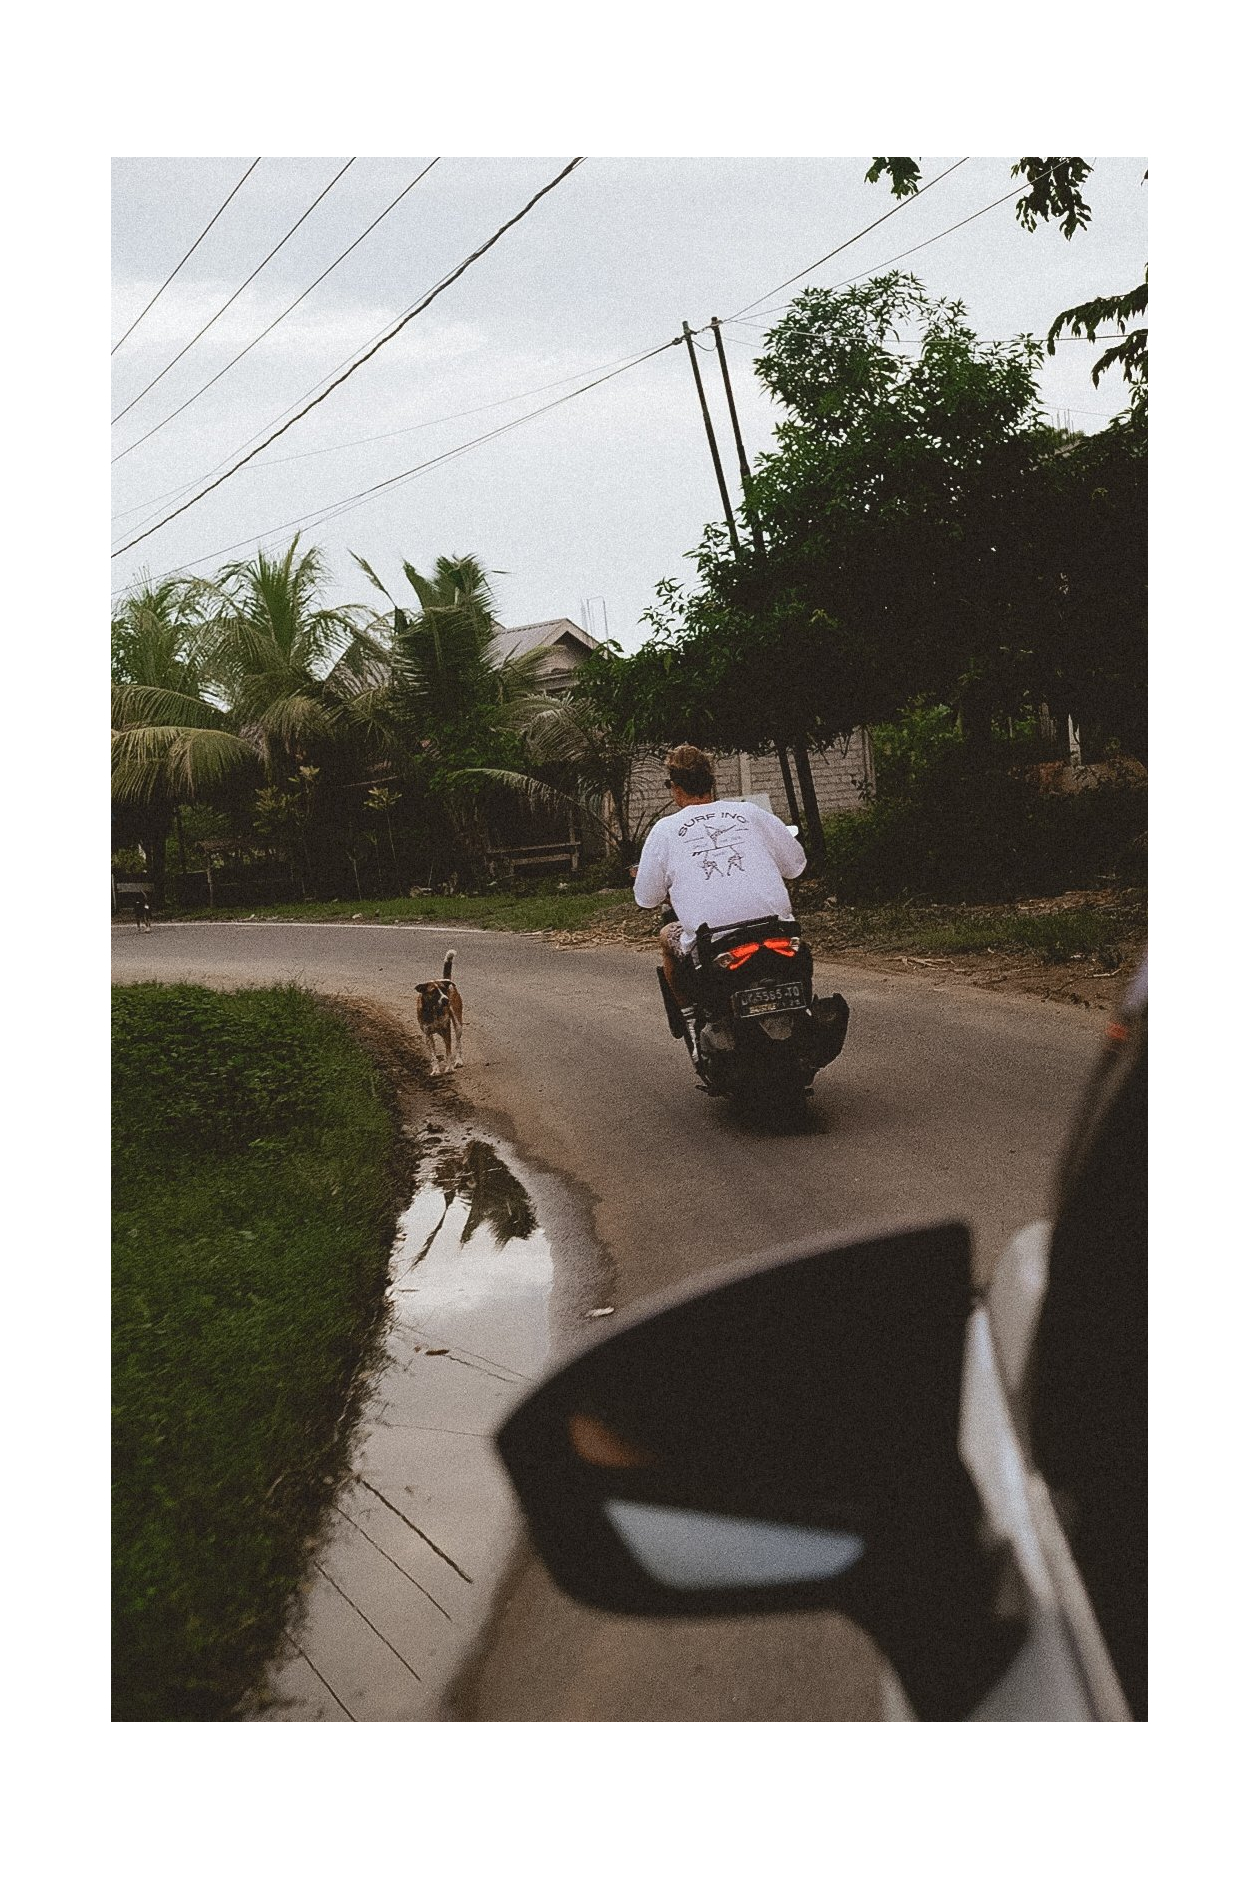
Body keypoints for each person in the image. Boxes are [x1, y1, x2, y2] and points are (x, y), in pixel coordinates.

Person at [632, 743, 807, 1011]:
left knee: (667, 935)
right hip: (777, 931)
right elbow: (796, 866)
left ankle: (690, 1018)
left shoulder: (664, 831)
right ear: (711, 782)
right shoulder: (750, 813)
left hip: (713, 943)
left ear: (675, 787)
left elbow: (646, 898)